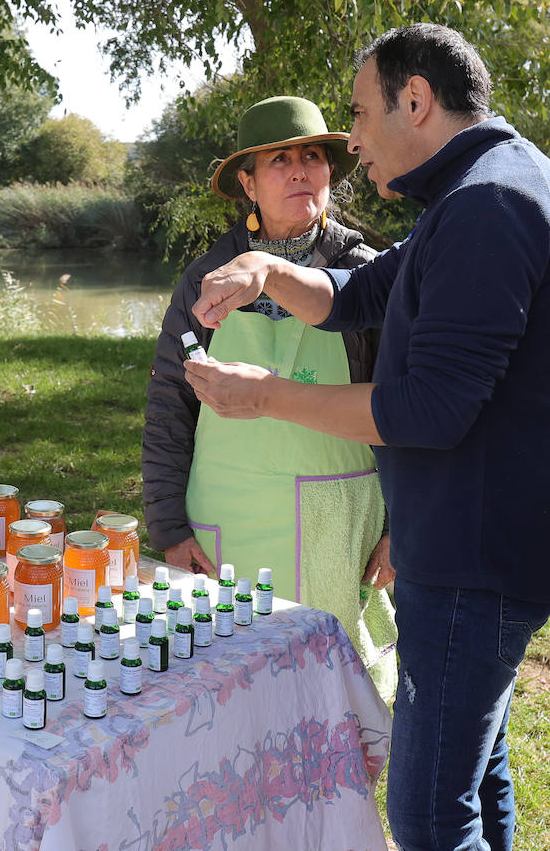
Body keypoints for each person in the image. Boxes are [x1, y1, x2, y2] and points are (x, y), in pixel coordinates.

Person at [184, 24, 550, 851]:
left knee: (426, 814)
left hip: (474, 557)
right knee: (477, 775)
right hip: (479, 545)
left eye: (361, 116)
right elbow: (360, 292)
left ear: (417, 100)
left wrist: (266, 399)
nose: (354, 143)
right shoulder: (477, 191)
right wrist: (266, 271)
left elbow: (427, 410)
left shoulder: (492, 204)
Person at [142, 95, 397, 696]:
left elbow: (407, 410)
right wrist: (169, 528)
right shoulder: (206, 278)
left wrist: (403, 528)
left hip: (342, 531)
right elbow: (168, 409)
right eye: (279, 160)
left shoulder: (369, 276)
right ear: (248, 185)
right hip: (228, 524)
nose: (300, 170)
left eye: (312, 156)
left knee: (339, 694)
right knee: (233, 693)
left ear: (331, 173)